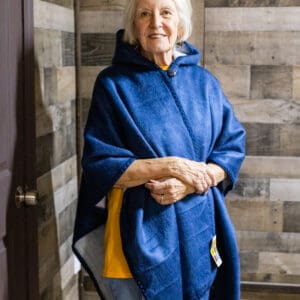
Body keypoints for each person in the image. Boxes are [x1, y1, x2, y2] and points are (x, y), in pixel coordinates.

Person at [72, 0, 246, 299]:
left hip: (198, 232)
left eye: (165, 12)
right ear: (133, 27)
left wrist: (191, 183)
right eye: (144, 14)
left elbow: (231, 148)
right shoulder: (113, 84)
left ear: (179, 24)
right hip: (134, 242)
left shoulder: (204, 83)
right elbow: (101, 164)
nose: (155, 23)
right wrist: (174, 166)